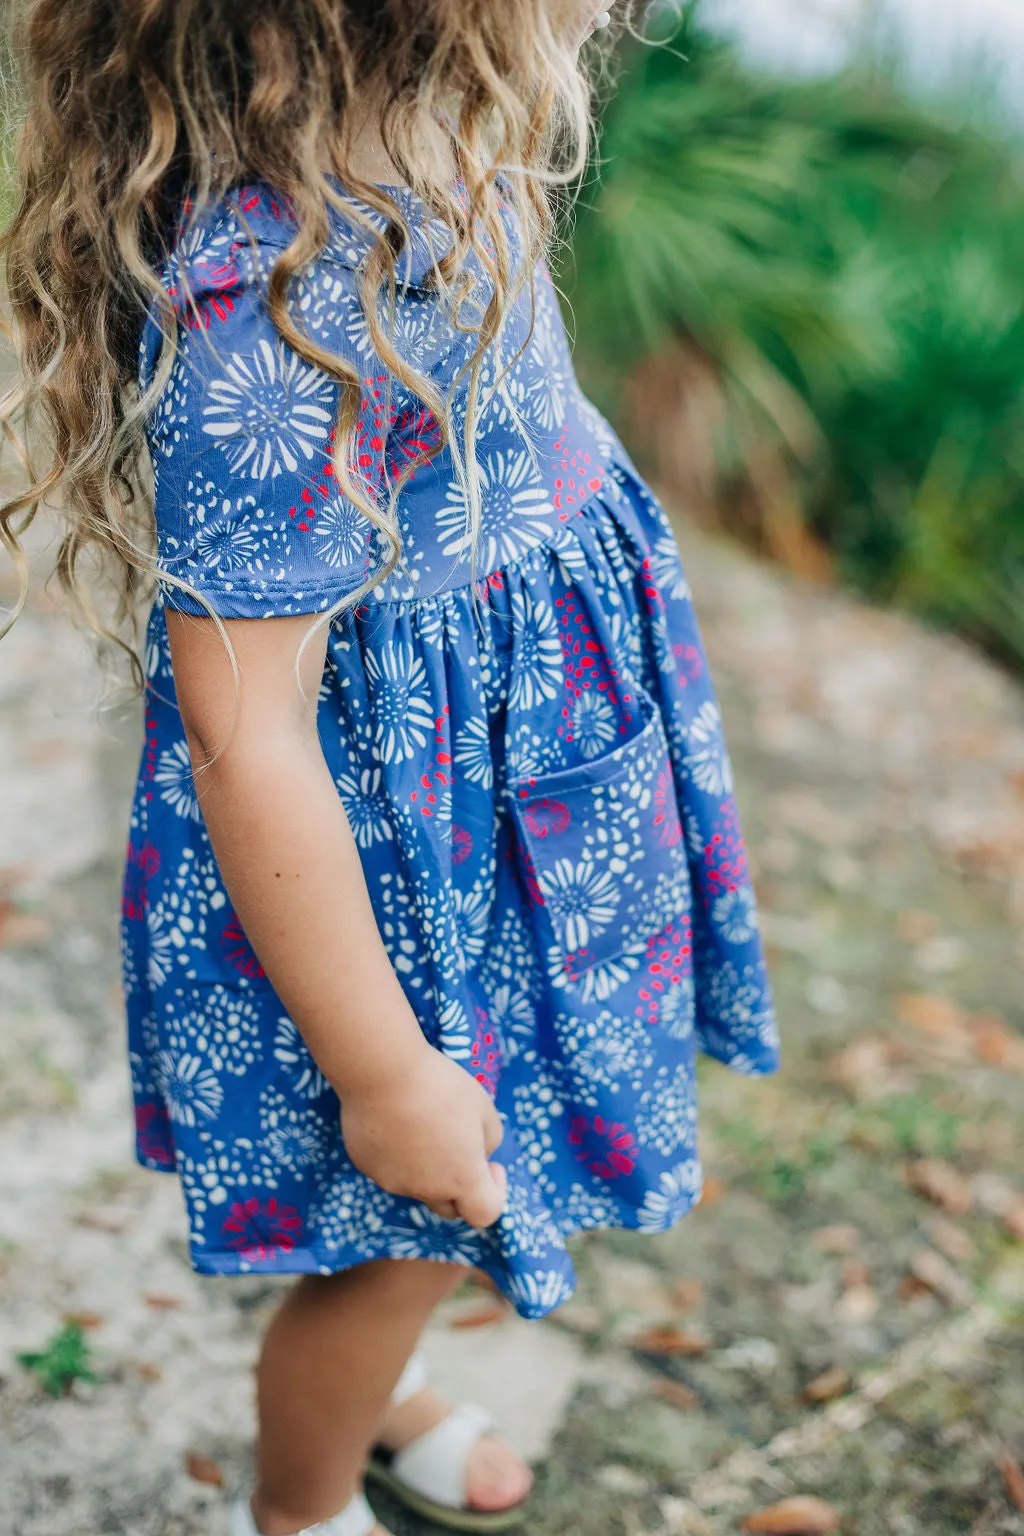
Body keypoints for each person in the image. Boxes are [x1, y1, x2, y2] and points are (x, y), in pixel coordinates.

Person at [0, 3, 780, 1533]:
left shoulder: (439, 135)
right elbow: (249, 731)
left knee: (429, 1218)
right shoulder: (274, 297)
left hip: (514, 820)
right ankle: (299, 1506)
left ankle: (385, 1383)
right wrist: (386, 1071)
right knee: (406, 1222)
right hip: (398, 894)